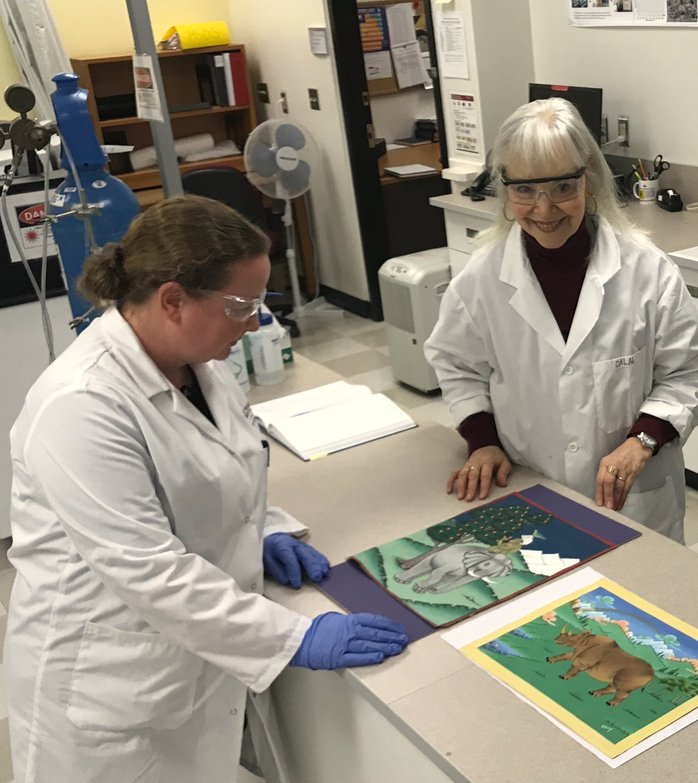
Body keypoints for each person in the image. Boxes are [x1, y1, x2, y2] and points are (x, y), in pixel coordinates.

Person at [6, 196, 409, 782]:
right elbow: (148, 570)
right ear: (172, 299)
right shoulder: (82, 405)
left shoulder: (200, 363)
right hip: (106, 687)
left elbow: (224, 466)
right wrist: (295, 636)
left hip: (186, 664)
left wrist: (264, 528)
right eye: (242, 305)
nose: (255, 323)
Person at [424, 98, 698, 542]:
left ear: (590, 181)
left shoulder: (645, 270)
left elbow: (690, 369)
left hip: (633, 503)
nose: (544, 210)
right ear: (504, 189)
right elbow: (457, 365)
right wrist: (481, 439)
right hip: (528, 489)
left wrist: (643, 441)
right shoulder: (482, 279)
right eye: (524, 190)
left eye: (563, 187)